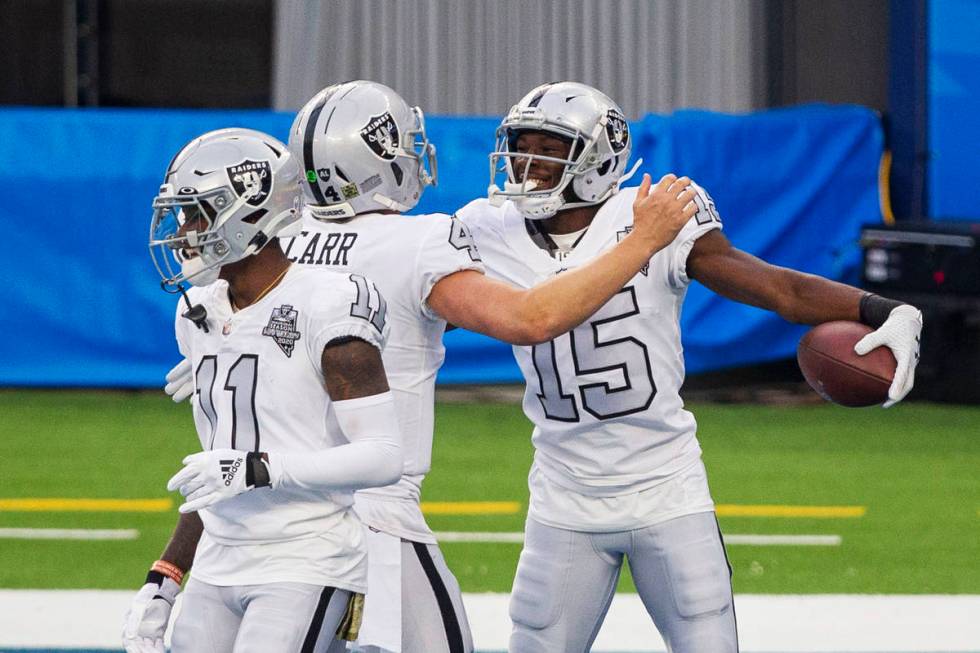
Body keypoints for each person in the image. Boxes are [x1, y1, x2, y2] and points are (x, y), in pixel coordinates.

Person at [130, 81, 699, 653]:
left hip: (262, 524)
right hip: (369, 518)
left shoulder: (266, 254)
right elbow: (533, 318)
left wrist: (167, 572)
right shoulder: (420, 242)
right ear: (375, 160)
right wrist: (642, 241)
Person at [455, 81, 924, 653]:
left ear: (597, 160)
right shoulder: (485, 228)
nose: (526, 164)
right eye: (521, 146)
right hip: (563, 493)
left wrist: (880, 308)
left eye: (548, 149)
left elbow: (780, 288)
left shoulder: (653, 211)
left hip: (666, 489)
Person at [124, 128, 404, 653]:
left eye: (197, 214)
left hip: (307, 555)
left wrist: (258, 468)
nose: (182, 232)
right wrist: (164, 579)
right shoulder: (198, 312)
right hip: (219, 560)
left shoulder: (329, 302)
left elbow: (384, 456)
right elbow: (217, 471)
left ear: (249, 212)